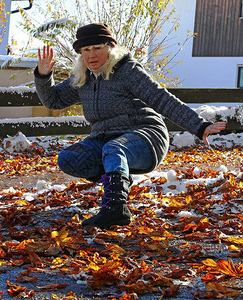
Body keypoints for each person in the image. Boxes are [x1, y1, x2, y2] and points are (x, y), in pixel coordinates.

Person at [34, 23, 226, 228]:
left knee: (114, 149)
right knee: (69, 158)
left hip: (145, 135)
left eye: (97, 48)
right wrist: (44, 76)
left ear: (109, 47)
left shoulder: (126, 70)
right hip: (104, 138)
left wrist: (199, 125)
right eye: (86, 50)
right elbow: (54, 101)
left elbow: (160, 98)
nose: (92, 55)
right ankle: (119, 180)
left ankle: (115, 210)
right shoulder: (82, 77)